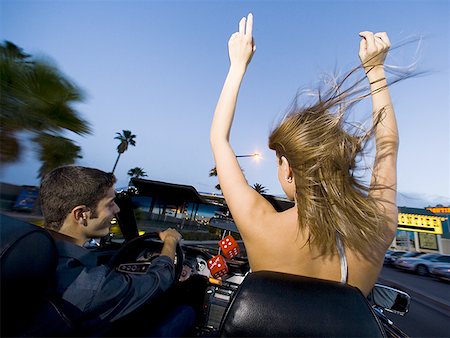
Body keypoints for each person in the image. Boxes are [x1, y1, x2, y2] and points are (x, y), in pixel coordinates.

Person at [210, 13, 400, 296]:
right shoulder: (376, 228)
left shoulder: (260, 225)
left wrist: (237, 66)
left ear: (287, 169)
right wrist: (376, 71)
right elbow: (387, 145)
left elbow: (218, 139)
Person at [39, 165, 195, 336]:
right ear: (81, 214)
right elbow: (158, 280)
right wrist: (171, 241)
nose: (117, 209)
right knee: (186, 312)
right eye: (110, 204)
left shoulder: (34, 251)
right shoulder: (89, 285)